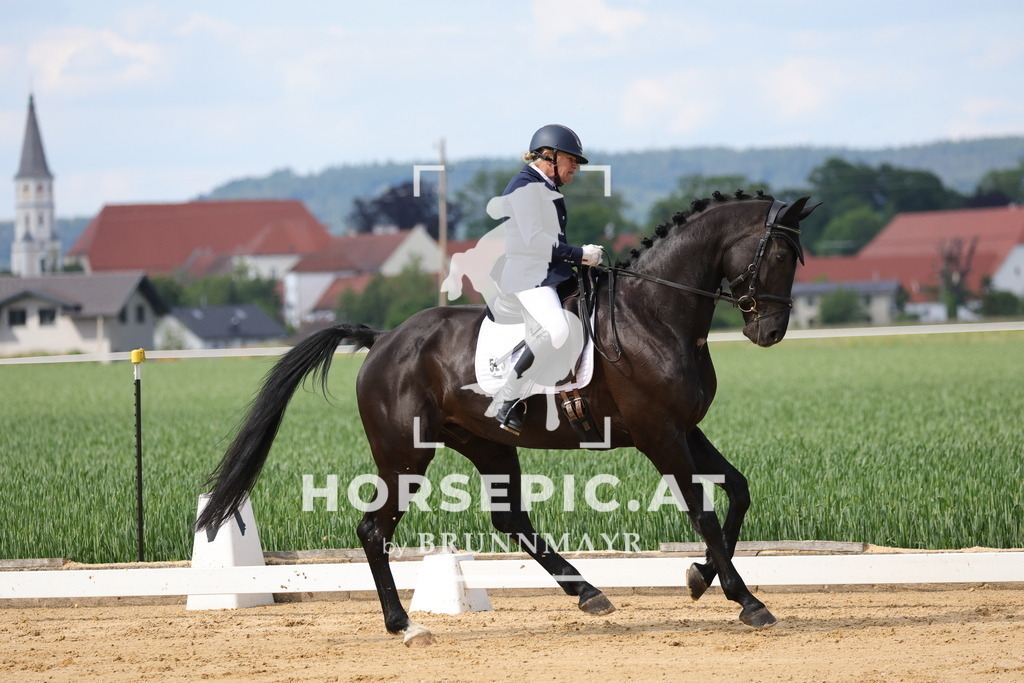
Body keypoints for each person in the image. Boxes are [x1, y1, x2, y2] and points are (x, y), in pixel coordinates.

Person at [485, 124, 603, 435]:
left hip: (549, 272)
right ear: (548, 156)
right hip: (527, 276)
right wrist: (580, 255)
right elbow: (534, 241)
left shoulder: (545, 187)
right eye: (571, 159)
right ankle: (506, 399)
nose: (575, 166)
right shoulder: (524, 187)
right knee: (558, 328)